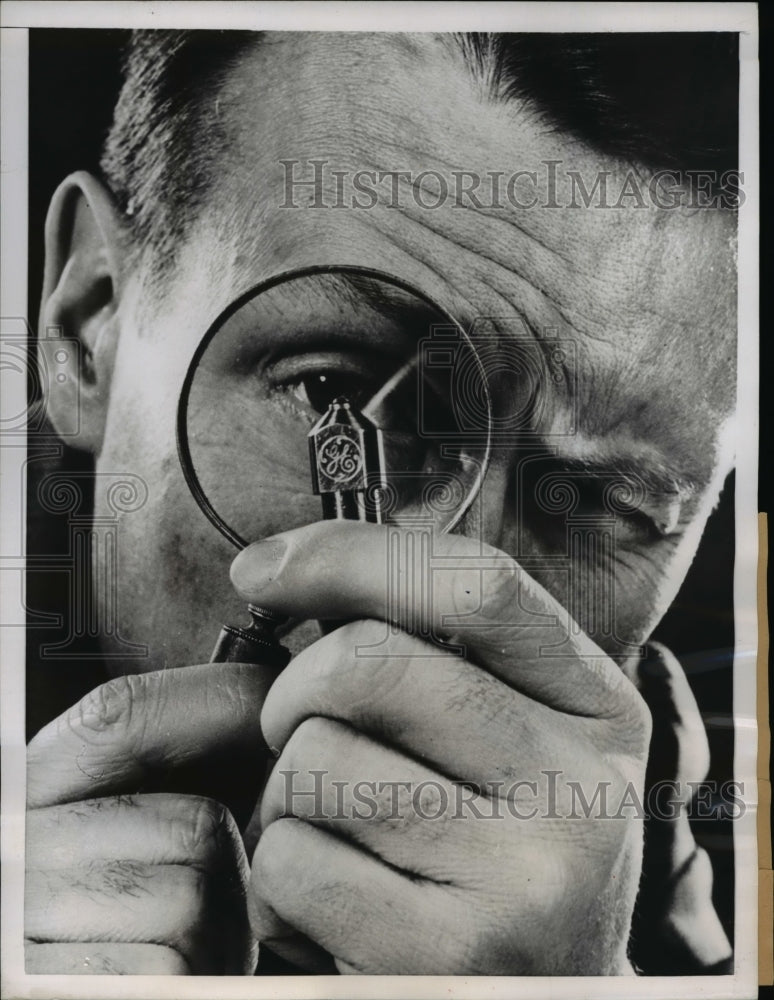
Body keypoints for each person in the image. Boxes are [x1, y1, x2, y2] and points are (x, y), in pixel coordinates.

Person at [24, 29, 740, 976]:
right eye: (341, 394)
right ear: (90, 321)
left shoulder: (645, 766)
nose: (441, 613)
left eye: (606, 497)